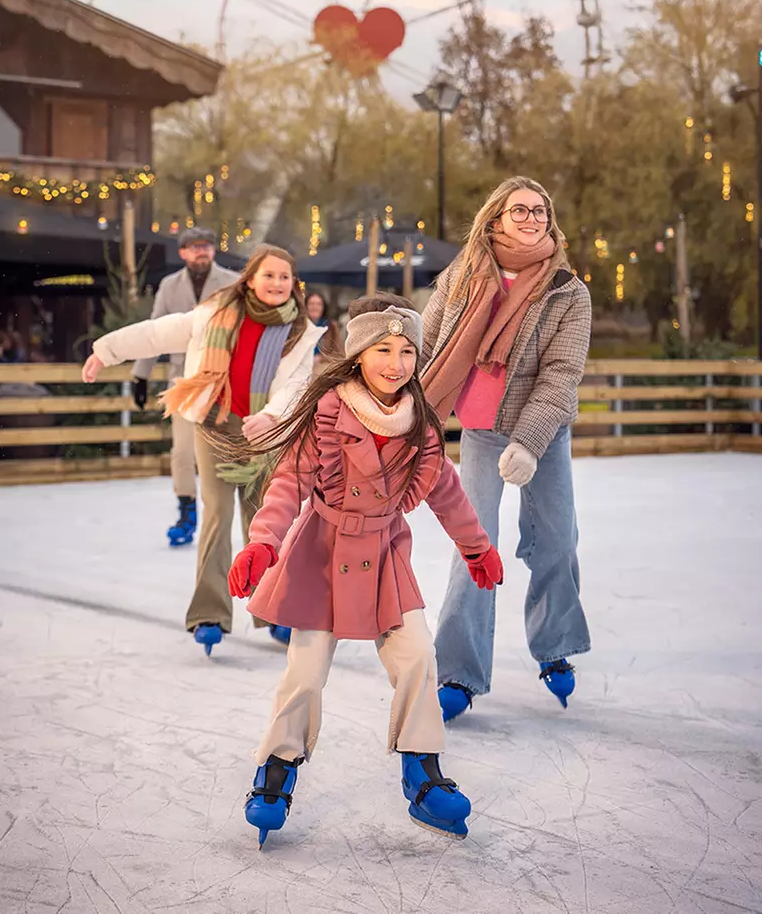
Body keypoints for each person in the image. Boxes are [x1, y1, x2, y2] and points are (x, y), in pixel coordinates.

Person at [223, 294, 504, 844]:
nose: (395, 363)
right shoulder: (327, 413)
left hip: (383, 556)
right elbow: (287, 484)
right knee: (304, 672)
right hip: (321, 554)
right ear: (358, 355)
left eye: (405, 351)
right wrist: (263, 542)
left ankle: (421, 772)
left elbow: (447, 490)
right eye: (382, 349)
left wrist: (477, 547)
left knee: (419, 656)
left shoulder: (418, 424)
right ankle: (276, 768)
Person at [83, 246, 319, 653]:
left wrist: (272, 416)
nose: (277, 284)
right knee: (217, 512)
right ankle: (209, 613)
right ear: (250, 279)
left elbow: (298, 385)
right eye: (269, 275)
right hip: (214, 424)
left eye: (285, 277)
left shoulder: (300, 332)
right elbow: (157, 332)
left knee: (264, 521)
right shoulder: (214, 313)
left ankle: (274, 610)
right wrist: (106, 350)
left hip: (265, 432)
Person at [419, 176, 593, 723]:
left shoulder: (568, 290)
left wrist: (529, 441)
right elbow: (428, 341)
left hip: (542, 433)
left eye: (540, 210)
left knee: (556, 538)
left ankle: (555, 644)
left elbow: (561, 375)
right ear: (495, 218)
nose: (531, 217)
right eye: (520, 209)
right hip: (480, 429)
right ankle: (457, 671)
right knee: (475, 545)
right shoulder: (462, 276)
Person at [131, 228, 239, 546]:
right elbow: (154, 332)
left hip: (223, 380)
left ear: (213, 250)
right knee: (182, 451)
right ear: (182, 253)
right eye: (194, 248)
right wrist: (141, 374)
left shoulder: (231, 283)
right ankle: (186, 510)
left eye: (205, 246)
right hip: (183, 381)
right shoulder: (169, 286)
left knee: (222, 450)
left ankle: (221, 513)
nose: (200, 253)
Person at [303, 289, 343, 356]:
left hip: (323, 365)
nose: (315, 307)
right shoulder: (299, 326)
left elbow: (339, 353)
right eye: (311, 304)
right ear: (305, 306)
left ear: (324, 307)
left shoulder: (331, 327)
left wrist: (320, 359)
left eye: (319, 304)